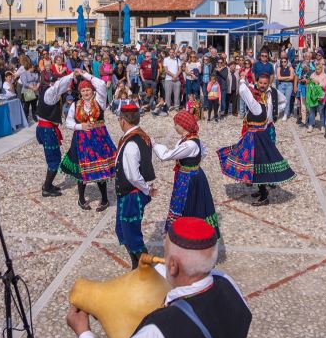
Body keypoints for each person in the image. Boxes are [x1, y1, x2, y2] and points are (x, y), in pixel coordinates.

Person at [63, 217, 250, 338]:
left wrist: (84, 334)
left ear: (173, 266)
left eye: (166, 254)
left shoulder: (157, 335)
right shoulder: (229, 285)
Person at [217, 72, 295, 207]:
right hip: (258, 134)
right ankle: (261, 189)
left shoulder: (258, 104)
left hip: (261, 135)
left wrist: (242, 79)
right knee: (260, 164)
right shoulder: (259, 103)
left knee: (261, 164)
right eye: (260, 84)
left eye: (265, 83)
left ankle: (264, 194)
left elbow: (243, 91)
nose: (262, 86)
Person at [154, 110, 219, 236]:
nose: (174, 126)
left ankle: (188, 234)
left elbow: (166, 155)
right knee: (192, 204)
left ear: (183, 126)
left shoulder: (189, 144)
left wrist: (154, 144)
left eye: (176, 124)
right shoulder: (191, 139)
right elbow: (203, 153)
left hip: (189, 180)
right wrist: (193, 164)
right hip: (192, 175)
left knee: (189, 204)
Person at [61, 71, 117, 211]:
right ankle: (81, 198)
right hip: (81, 140)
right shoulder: (76, 105)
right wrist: (80, 126)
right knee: (82, 169)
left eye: (88, 89)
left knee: (100, 168)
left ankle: (104, 199)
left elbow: (102, 84)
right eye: (83, 90)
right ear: (80, 92)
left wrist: (84, 74)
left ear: (92, 90)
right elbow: (68, 122)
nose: (86, 92)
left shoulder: (99, 101)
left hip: (99, 139)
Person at [112, 102, 156, 268]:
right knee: (123, 231)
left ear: (123, 120)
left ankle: (145, 272)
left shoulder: (131, 143)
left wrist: (147, 190)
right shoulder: (141, 135)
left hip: (132, 195)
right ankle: (136, 266)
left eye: (119, 119)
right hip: (130, 194)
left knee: (132, 235)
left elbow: (133, 176)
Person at [35, 70, 75, 197]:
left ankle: (49, 184)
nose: (68, 86)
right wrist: (72, 75)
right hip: (47, 130)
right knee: (54, 160)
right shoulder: (51, 92)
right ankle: (46, 188)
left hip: (46, 128)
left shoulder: (49, 91)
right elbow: (59, 85)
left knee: (54, 157)